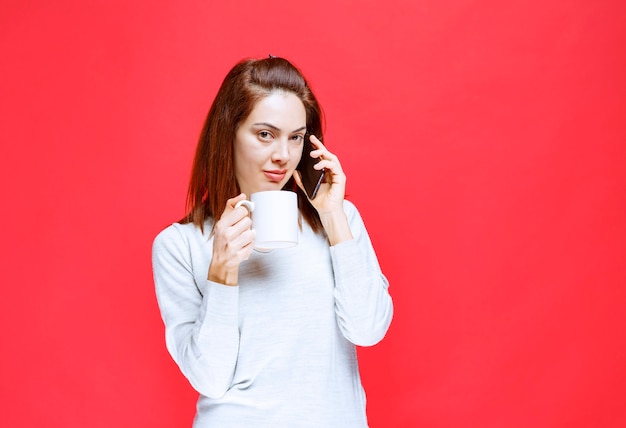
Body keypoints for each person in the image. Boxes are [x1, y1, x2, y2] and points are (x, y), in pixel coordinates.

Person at [152, 56, 393, 427]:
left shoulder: (338, 221)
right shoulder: (180, 245)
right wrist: (222, 270)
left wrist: (332, 216)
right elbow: (211, 377)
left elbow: (368, 329)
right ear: (229, 132)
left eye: (295, 137)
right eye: (265, 134)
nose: (283, 155)